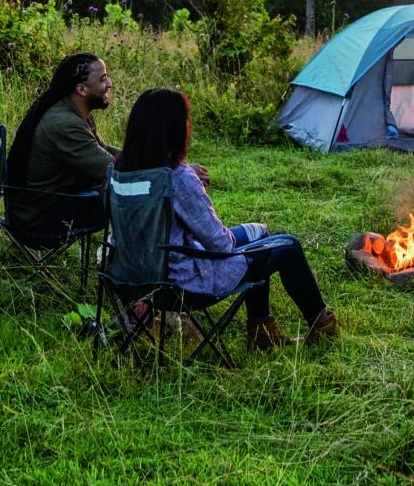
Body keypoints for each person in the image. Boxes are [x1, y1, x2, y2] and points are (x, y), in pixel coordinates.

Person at [115, 87, 338, 350]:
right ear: (175, 129)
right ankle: (322, 327)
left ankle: (262, 330)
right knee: (288, 247)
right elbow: (221, 245)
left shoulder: (121, 172)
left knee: (260, 234)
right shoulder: (178, 178)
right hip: (182, 283)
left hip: (135, 277)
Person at [4, 52, 117, 243]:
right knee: (132, 197)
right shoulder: (65, 124)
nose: (109, 84)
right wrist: (159, 168)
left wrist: (154, 160)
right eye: (103, 79)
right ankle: (131, 265)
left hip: (47, 206)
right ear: (81, 89)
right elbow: (111, 168)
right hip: (40, 221)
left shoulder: (74, 110)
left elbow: (103, 149)